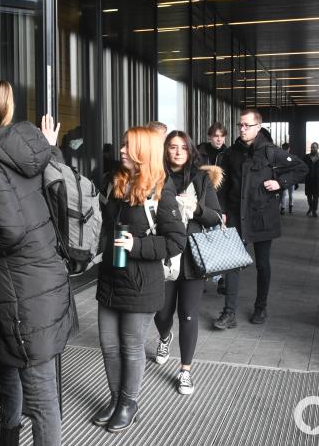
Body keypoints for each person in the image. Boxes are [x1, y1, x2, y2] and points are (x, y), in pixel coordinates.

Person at [0, 76, 71, 446]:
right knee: (5, 363)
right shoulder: (26, 148)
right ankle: (9, 439)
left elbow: (8, 229)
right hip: (37, 277)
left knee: (40, 396)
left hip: (24, 289)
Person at [93, 127, 186, 432]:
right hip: (110, 279)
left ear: (143, 152)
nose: (121, 150)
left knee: (131, 347)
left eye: (127, 146)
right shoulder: (113, 182)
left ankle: (129, 404)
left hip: (142, 283)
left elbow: (175, 242)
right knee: (109, 345)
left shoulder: (161, 190)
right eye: (121, 144)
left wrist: (137, 245)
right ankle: (116, 398)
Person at [214, 109, 308, 327]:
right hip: (237, 216)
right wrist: (223, 211)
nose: (243, 129)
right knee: (232, 264)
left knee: (262, 265)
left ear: (258, 127)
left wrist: (280, 183)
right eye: (240, 125)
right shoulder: (231, 154)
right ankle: (229, 313)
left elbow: (301, 168)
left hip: (263, 216)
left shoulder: (270, 151)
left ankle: (261, 308)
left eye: (247, 125)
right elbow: (222, 185)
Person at [153, 130, 222, 396]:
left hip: (193, 257)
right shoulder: (157, 177)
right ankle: (164, 337)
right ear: (165, 150)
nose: (178, 152)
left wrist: (196, 209)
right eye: (172, 147)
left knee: (188, 314)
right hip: (165, 254)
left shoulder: (201, 178)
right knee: (162, 312)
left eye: (183, 147)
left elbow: (217, 217)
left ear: (190, 150)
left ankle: (185, 371)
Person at [303, 142, 319, 217]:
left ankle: (314, 210)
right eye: (312, 147)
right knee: (309, 195)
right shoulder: (306, 157)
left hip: (317, 180)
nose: (313, 148)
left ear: (317, 148)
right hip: (308, 179)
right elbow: (302, 166)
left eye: (314, 147)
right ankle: (311, 207)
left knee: (316, 196)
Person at [279, 142, 297, 215]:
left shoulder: (280, 157)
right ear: (289, 149)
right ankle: (290, 207)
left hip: (284, 178)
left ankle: (283, 208)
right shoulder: (293, 157)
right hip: (290, 178)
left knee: (283, 194)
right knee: (290, 194)